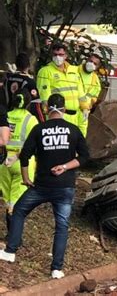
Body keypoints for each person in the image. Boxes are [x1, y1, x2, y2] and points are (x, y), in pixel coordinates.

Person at [0, 94, 89, 279]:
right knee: (62, 226)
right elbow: (85, 156)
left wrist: (26, 178)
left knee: (18, 211)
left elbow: (24, 155)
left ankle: (10, 251)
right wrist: (64, 167)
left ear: (47, 109)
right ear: (64, 110)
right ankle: (56, 268)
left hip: (40, 186)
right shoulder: (73, 130)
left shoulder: (40, 129)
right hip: (65, 187)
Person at [0, 88, 38, 235]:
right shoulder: (31, 119)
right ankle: (14, 236)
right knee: (17, 202)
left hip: (4, 162)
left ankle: (10, 232)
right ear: (28, 102)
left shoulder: (6, 115)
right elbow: (32, 145)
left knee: (8, 199)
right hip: (22, 163)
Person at [37, 43, 87, 130]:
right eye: (55, 54)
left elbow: (80, 91)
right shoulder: (45, 71)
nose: (58, 57)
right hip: (58, 114)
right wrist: (49, 112)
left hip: (76, 114)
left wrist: (85, 107)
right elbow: (44, 95)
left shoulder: (74, 70)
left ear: (66, 56)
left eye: (60, 54)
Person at [0, 53, 45, 122]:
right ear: (28, 65)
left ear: (16, 64)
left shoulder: (8, 79)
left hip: (9, 114)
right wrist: (42, 122)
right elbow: (36, 105)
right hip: (24, 116)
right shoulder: (29, 81)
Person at [78, 53, 102, 137]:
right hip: (71, 110)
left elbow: (94, 97)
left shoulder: (95, 80)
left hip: (83, 112)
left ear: (97, 67)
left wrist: (89, 106)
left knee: (81, 135)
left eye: (95, 63)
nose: (92, 64)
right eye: (91, 61)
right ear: (86, 60)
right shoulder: (74, 71)